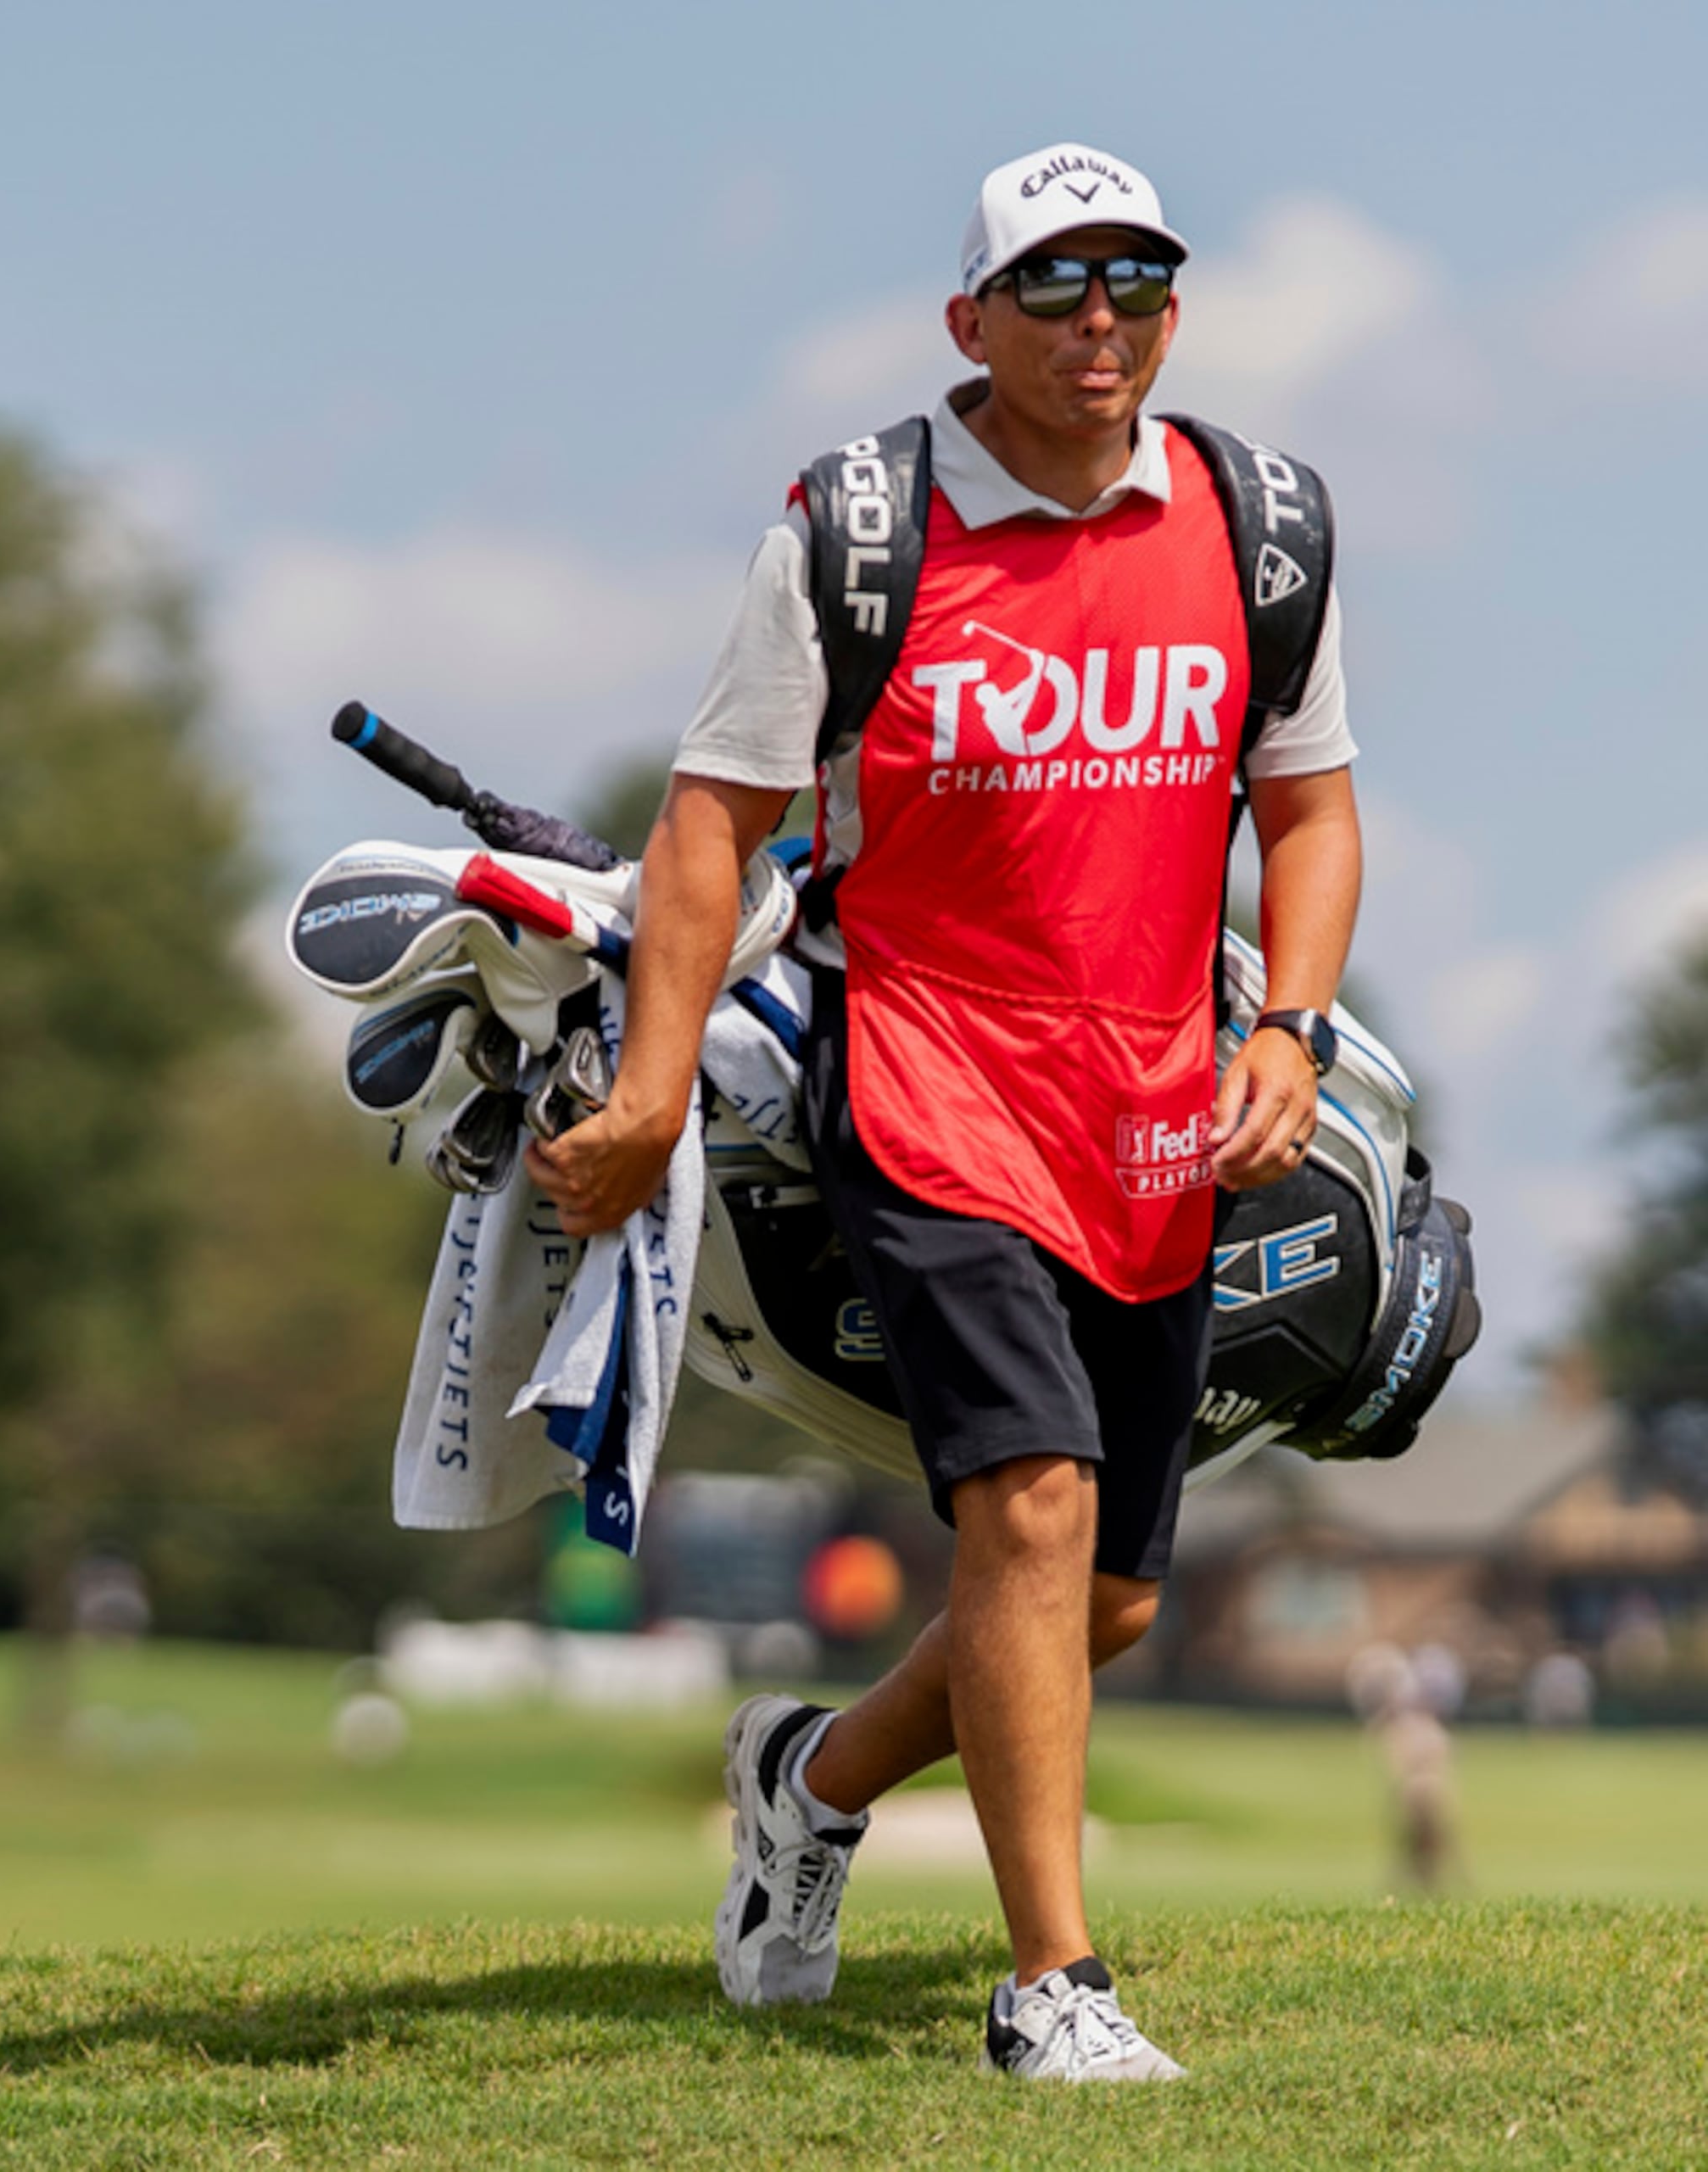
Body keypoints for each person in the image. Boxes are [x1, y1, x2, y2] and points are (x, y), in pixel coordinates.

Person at [527, 142, 1362, 2081]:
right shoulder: (852, 529)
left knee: (1115, 1600)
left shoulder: (1257, 520)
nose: (1100, 319)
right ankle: (1049, 1984)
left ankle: (804, 1776)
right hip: (921, 1078)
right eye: (1056, 283)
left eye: (1135, 280)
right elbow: (708, 824)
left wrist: (1295, 1027)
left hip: (1155, 1111)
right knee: (1031, 1501)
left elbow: (1306, 806)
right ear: (965, 318)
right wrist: (652, 1088)